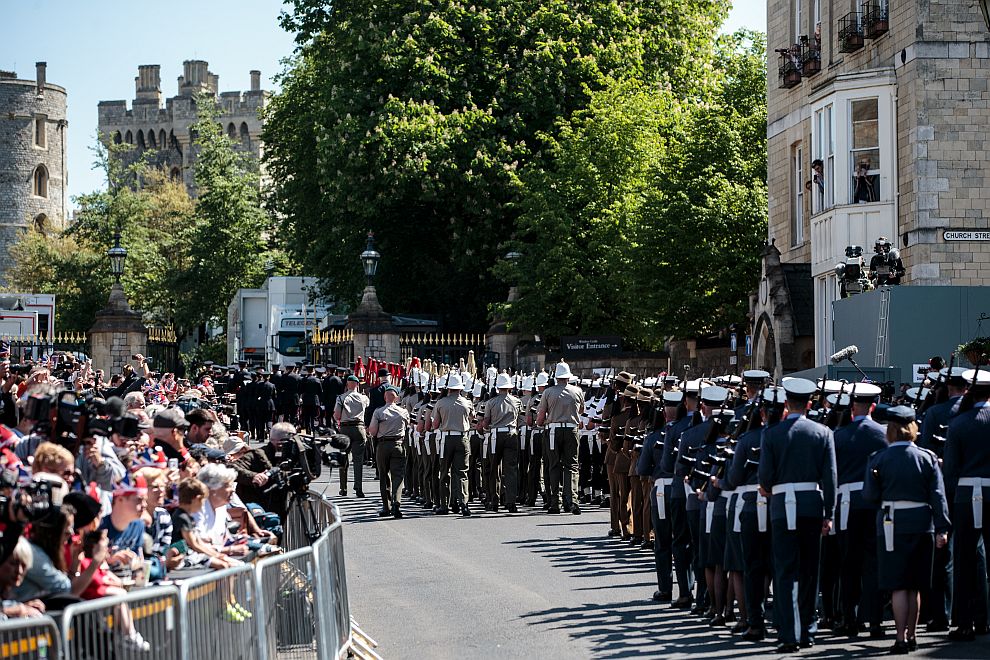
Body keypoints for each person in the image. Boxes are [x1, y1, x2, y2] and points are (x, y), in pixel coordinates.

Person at [758, 377, 836, 653]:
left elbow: (765, 477)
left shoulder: (773, 434)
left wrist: (769, 488)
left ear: (786, 404)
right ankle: (807, 630)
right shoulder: (823, 432)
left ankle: (788, 632)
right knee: (809, 571)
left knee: (785, 571)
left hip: (781, 506)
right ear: (810, 403)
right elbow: (830, 477)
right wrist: (829, 513)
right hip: (811, 505)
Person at [863, 405, 950, 654]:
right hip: (922, 523)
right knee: (915, 584)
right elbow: (938, 496)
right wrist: (942, 528)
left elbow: (869, 495)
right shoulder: (927, 457)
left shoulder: (878, 458)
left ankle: (900, 637)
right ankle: (912, 635)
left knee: (898, 584)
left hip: (891, 523)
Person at [833, 383, 886, 637]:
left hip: (846, 504)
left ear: (852, 408)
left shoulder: (839, 435)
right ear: (873, 407)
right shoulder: (883, 434)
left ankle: (849, 617)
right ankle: (875, 619)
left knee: (848, 563)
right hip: (874, 502)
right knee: (873, 564)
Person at [942, 368, 990, 642]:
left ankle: (965, 622)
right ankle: (985, 619)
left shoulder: (959, 423)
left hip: (966, 494)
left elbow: (950, 470)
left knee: (964, 560)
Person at [537, 363, 585, 515]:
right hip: (571, 428)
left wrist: (544, 421)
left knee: (554, 465)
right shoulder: (577, 391)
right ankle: (572, 500)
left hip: (553, 430)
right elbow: (581, 410)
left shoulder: (548, 392)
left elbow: (540, 416)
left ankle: (554, 502)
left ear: (556, 377)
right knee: (572, 465)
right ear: (569, 377)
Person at [431, 373, 473, 517]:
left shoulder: (441, 403)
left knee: (444, 472)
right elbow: (471, 419)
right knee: (462, 473)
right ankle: (463, 503)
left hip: (446, 438)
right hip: (462, 438)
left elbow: (435, 424)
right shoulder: (467, 402)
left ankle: (444, 504)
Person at [480, 373, 522, 514]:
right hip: (512, 433)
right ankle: (511, 502)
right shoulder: (516, 401)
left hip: (496, 435)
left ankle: (494, 500)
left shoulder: (491, 402)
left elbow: (486, 422)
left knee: (494, 469)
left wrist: (485, 428)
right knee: (510, 469)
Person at [369, 385, 410, 518]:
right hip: (398, 444)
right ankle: (396, 503)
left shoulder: (378, 412)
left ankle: (386, 506)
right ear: (397, 397)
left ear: (384, 397)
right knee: (397, 476)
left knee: (384, 476)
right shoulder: (403, 412)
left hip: (382, 445)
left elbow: (373, 431)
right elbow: (408, 426)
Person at [334, 375, 369, 498]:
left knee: (344, 459)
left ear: (347, 384)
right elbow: (367, 406)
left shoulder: (341, 398)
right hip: (359, 427)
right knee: (358, 460)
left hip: (345, 428)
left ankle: (343, 488)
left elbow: (337, 415)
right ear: (357, 384)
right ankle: (358, 488)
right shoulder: (364, 398)